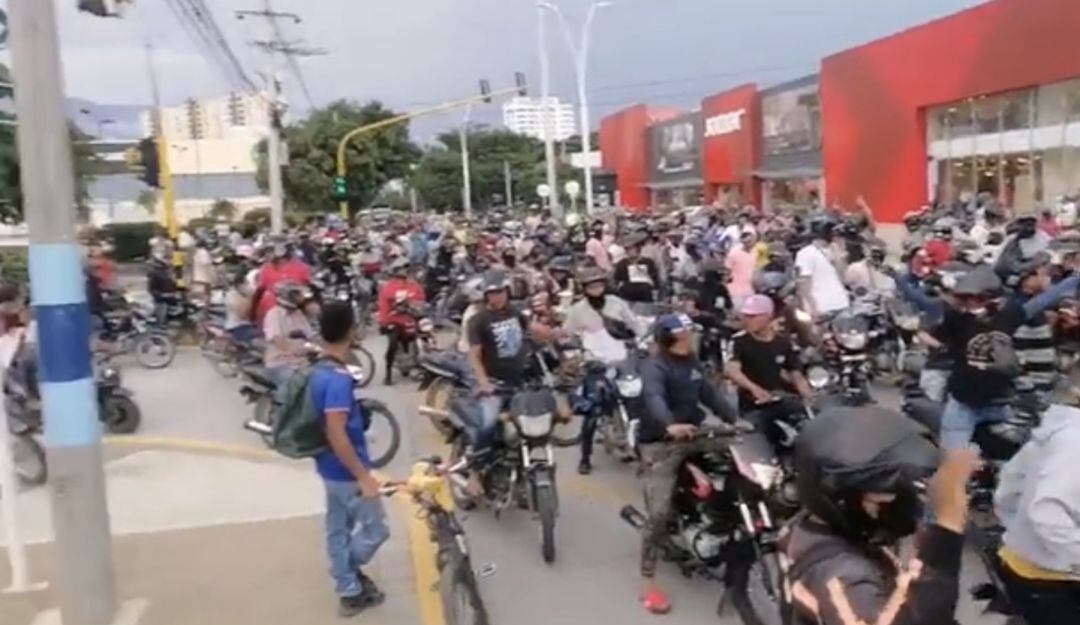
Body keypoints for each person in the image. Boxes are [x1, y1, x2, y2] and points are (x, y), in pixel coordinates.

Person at [785, 407, 980, 625]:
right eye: (885, 495)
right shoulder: (841, 576)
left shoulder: (815, 529)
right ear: (841, 499)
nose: (896, 501)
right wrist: (947, 529)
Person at [637, 313, 739, 614]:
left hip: (696, 433)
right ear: (671, 338)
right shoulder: (655, 367)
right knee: (658, 513)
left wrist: (737, 421)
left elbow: (711, 395)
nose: (691, 336)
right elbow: (654, 398)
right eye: (685, 334)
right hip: (662, 441)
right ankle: (647, 582)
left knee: (745, 460)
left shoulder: (692, 361)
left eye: (690, 332)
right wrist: (670, 425)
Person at [937, 265, 1078, 449]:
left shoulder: (1009, 313)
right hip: (963, 405)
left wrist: (1075, 279)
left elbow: (1042, 301)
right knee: (952, 459)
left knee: (1023, 452)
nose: (971, 303)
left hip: (1000, 405)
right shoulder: (956, 319)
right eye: (966, 298)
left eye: (975, 298)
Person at [310, 301, 389, 616]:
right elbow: (336, 432)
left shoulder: (317, 370)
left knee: (337, 529)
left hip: (326, 468)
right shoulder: (339, 379)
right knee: (376, 531)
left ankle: (349, 586)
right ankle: (345, 578)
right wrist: (363, 476)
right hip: (346, 473)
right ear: (350, 331)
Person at [994, 396, 1080, 624]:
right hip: (1051, 578)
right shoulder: (1075, 442)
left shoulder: (1057, 431)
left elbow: (1008, 489)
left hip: (1022, 562)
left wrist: (1020, 534)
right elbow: (1047, 512)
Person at [563, 266, 644, 475]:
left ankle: (641, 450)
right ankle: (585, 458)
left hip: (622, 360)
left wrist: (642, 341)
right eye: (591, 286)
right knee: (593, 412)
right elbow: (566, 336)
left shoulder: (617, 304)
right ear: (584, 289)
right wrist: (575, 357)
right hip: (595, 365)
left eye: (599, 285)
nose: (596, 289)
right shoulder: (577, 310)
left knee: (637, 403)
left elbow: (635, 325)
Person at [465, 269, 554, 458]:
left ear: (507, 292)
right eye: (492, 294)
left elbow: (532, 328)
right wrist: (483, 382)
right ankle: (475, 473)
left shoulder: (514, 312)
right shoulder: (478, 320)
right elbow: (474, 354)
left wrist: (557, 334)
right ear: (486, 296)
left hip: (520, 382)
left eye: (500, 292)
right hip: (494, 383)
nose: (497, 297)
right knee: (487, 424)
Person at [725, 295, 813, 418]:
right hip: (753, 405)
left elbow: (795, 373)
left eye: (753, 316)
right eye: (746, 316)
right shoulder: (739, 341)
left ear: (768, 316)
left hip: (781, 399)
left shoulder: (783, 342)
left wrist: (807, 394)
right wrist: (754, 389)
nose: (747, 320)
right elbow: (732, 370)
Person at [376, 258, 426, 386]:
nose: (404, 271)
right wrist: (384, 321)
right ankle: (388, 374)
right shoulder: (388, 287)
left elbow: (421, 300)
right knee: (392, 343)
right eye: (401, 268)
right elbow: (383, 306)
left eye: (406, 268)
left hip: (411, 318)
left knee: (426, 334)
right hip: (394, 320)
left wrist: (419, 310)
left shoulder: (414, 285)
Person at [262, 281, 316, 386]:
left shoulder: (298, 314)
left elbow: (311, 336)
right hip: (280, 363)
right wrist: (295, 351)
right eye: (296, 294)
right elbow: (277, 340)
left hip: (302, 362)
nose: (300, 298)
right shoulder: (274, 314)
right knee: (296, 382)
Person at [795, 219, 850, 319]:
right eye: (834, 233)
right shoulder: (806, 253)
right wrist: (812, 307)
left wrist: (841, 257)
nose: (836, 237)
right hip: (821, 308)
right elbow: (803, 284)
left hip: (841, 304)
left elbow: (843, 278)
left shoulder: (834, 251)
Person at [254, 239, 312, 325]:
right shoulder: (265, 269)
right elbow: (259, 292)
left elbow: (309, 291)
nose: (266, 255)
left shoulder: (301, 268)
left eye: (270, 251)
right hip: (269, 316)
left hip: (295, 315)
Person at [613, 232, 660, 304]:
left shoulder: (648, 262)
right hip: (628, 295)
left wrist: (655, 293)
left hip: (645, 295)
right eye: (628, 249)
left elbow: (654, 278)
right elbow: (617, 280)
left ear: (639, 248)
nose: (630, 251)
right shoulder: (621, 264)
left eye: (633, 248)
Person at [223, 271, 259, 344]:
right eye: (246, 283)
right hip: (236, 327)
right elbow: (242, 314)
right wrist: (250, 298)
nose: (248, 286)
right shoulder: (232, 296)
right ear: (239, 285)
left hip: (246, 325)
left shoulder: (243, 295)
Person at [725, 229, 757, 307]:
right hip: (735, 290)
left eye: (751, 240)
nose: (750, 243)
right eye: (747, 241)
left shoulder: (756, 252)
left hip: (751, 289)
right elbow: (727, 270)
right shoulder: (733, 253)